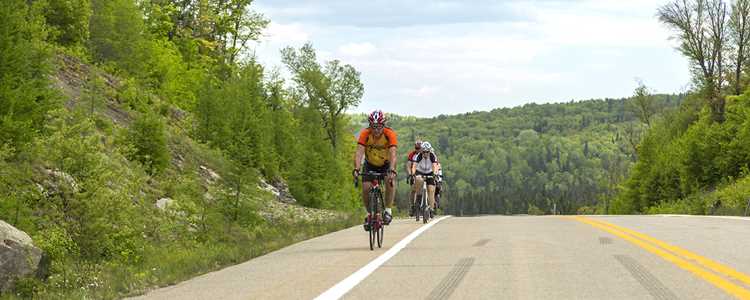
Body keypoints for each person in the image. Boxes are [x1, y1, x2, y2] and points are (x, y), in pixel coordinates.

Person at [353, 110, 397, 230]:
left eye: (378, 127)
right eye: (373, 127)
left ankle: (388, 210)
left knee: (389, 180)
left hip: (386, 164)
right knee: (366, 188)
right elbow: (359, 152)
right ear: (370, 126)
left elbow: (393, 154)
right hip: (370, 163)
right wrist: (356, 169)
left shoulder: (389, 134)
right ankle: (370, 214)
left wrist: (392, 169)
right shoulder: (365, 134)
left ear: (383, 125)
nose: (376, 130)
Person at [408, 141, 439, 219]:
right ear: (422, 151)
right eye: (424, 152)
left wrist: (435, 174)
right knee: (419, 180)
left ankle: (431, 209)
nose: (425, 154)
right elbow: (414, 166)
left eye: (427, 152)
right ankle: (418, 196)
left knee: (431, 190)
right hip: (420, 171)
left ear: (429, 151)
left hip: (430, 172)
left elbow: (435, 166)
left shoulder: (432, 156)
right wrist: (412, 174)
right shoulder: (418, 156)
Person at [405, 140, 422, 216]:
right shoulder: (412, 154)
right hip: (414, 173)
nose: (417, 149)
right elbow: (408, 165)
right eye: (416, 148)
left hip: (423, 172)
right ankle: (412, 206)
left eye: (419, 148)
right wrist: (410, 174)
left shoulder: (424, 154)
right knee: (413, 190)